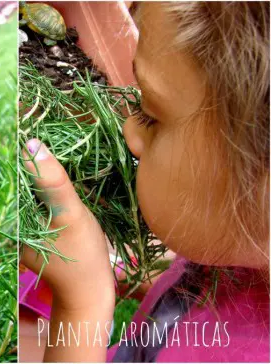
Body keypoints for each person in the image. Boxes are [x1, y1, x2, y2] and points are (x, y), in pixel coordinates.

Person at [21, 2, 269, 362]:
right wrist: (122, 269)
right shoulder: (234, 241)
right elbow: (194, 292)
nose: (129, 131)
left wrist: (84, 301)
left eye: (152, 116)